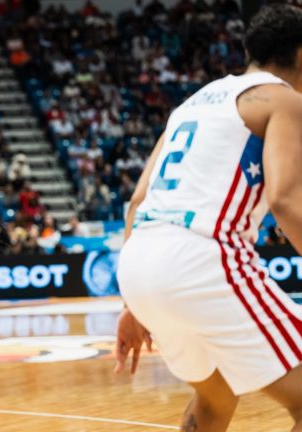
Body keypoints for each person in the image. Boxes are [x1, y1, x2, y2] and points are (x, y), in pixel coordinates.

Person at [116, 5, 302, 431]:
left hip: (140, 262)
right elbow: (287, 200)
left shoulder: (191, 104)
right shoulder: (285, 99)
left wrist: (133, 304)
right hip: (203, 257)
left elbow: (136, 201)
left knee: (215, 399)